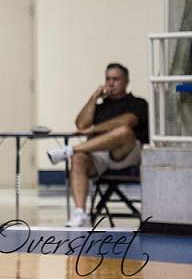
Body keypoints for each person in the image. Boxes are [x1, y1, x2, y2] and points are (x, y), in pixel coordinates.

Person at [47, 63, 149, 228]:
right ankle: (80, 213)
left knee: (123, 131)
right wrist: (94, 97)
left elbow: (128, 121)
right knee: (79, 158)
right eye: (108, 79)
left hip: (125, 153)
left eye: (115, 79)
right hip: (99, 154)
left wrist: (94, 129)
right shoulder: (100, 107)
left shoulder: (137, 103)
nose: (110, 83)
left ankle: (70, 149)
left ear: (126, 81)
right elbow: (81, 125)